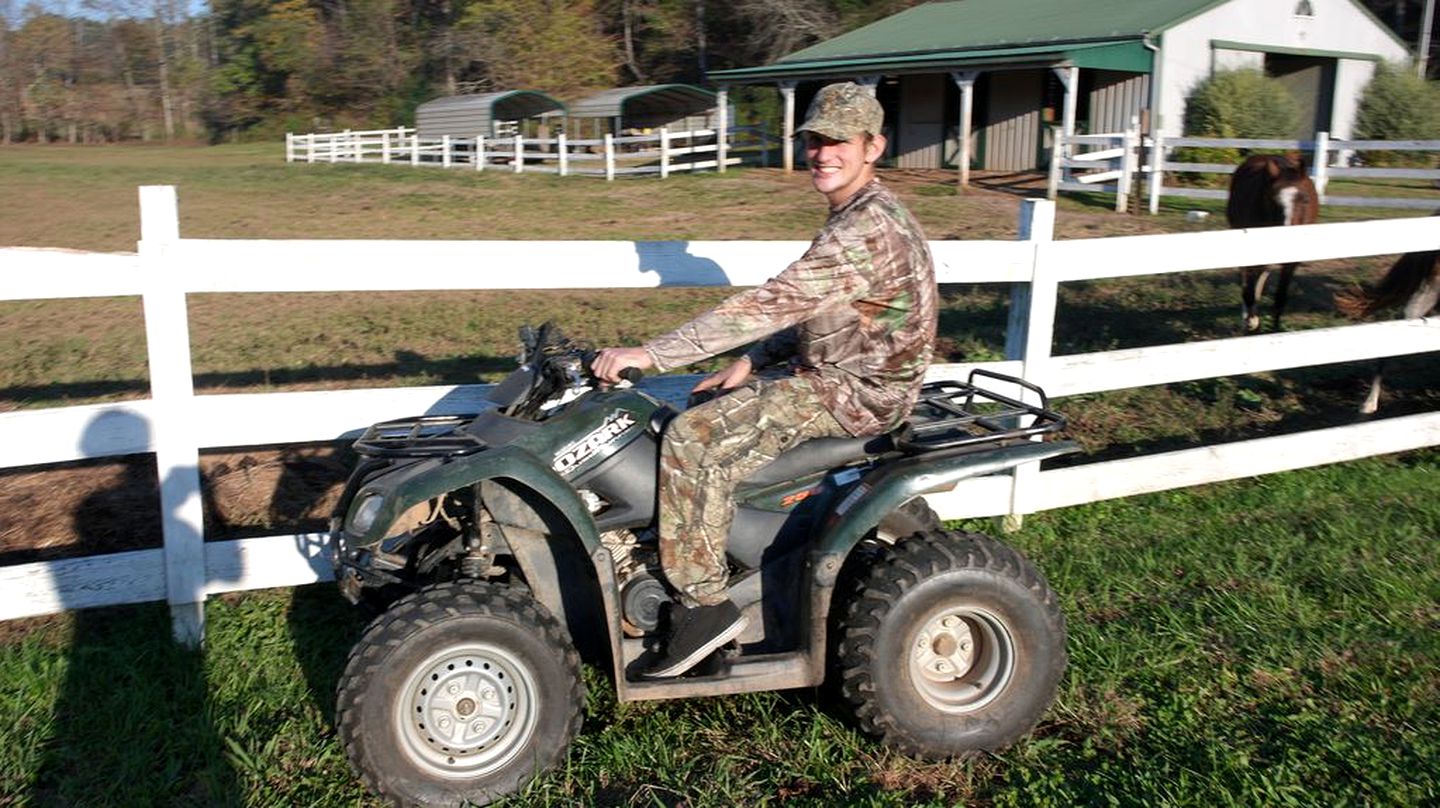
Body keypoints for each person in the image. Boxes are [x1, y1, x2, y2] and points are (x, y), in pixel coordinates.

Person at [593, 82, 937, 678]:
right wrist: (754, 361)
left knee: (693, 439)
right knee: (701, 405)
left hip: (856, 393)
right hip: (835, 371)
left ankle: (703, 607)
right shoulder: (859, 214)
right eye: (814, 140)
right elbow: (821, 310)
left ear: (872, 146)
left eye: (838, 142)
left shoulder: (866, 230)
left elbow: (769, 304)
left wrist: (650, 353)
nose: (822, 153)